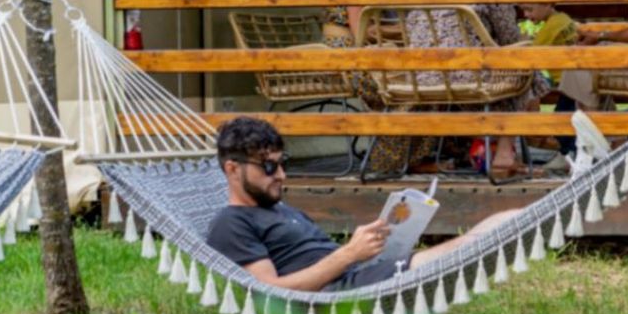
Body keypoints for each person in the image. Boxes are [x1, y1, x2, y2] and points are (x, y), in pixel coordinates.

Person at [206, 117, 519, 292]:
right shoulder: (231, 223)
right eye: (269, 167)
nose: (281, 175)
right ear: (232, 169)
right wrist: (349, 254)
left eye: (281, 163)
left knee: (487, 231)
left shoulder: (278, 209)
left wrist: (369, 247)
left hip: (360, 273)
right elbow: (272, 291)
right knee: (468, 246)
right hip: (345, 291)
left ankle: (540, 214)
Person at [406, 0, 550, 177]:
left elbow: (412, 22)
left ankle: (488, 148)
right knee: (521, 64)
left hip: (421, 73)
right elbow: (508, 37)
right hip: (466, 75)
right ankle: (506, 155)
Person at [319, 0, 433, 174]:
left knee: (416, 82)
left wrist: (400, 32)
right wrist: (406, 33)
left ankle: (407, 159)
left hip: (340, 53)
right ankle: (393, 161)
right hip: (350, 58)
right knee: (414, 87)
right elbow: (361, 30)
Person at [521, 0, 579, 157]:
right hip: (574, 78)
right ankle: (568, 153)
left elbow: (531, 55)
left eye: (529, 9)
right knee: (567, 114)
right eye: (523, 10)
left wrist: (523, 42)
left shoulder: (552, 26)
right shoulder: (562, 19)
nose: (526, 15)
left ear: (547, 3)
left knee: (563, 118)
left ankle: (567, 155)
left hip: (568, 81)